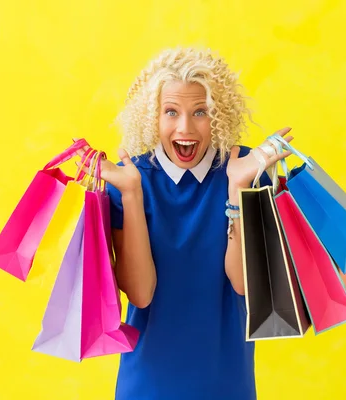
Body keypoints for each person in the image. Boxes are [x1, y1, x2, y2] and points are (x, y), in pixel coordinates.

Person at [78, 47, 293, 400]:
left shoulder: (246, 169)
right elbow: (141, 294)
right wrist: (131, 196)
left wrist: (239, 188)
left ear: (218, 115)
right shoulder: (133, 179)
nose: (185, 128)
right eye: (171, 112)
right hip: (147, 383)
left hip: (226, 381)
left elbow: (243, 284)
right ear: (153, 117)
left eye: (200, 112)